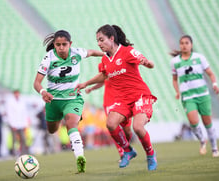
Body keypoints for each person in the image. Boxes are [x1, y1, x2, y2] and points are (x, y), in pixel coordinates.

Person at [75, 24, 157, 171]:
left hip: (140, 96)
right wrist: (86, 83)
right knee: (111, 124)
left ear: (112, 38)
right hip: (123, 100)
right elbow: (104, 75)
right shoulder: (105, 59)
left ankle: (150, 154)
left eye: (101, 40)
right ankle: (128, 150)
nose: (99, 44)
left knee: (137, 127)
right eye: (97, 41)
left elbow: (147, 62)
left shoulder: (127, 52)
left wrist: (148, 63)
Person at [33, 30, 104, 173]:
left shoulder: (77, 53)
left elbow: (91, 52)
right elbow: (36, 83)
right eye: (58, 45)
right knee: (52, 130)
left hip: (72, 99)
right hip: (53, 101)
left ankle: (80, 158)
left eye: (64, 44)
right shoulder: (48, 58)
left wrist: (107, 54)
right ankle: (58, 122)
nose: (61, 47)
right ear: (54, 45)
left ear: (70, 44)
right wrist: (43, 92)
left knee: (72, 124)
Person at [170, 35, 219, 157]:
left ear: (191, 45)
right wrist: (177, 91)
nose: (184, 45)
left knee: (207, 123)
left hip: (203, 95)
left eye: (187, 43)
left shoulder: (199, 58)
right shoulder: (175, 62)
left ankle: (214, 148)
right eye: (181, 43)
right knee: (193, 122)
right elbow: (175, 79)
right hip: (188, 97)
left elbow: (211, 74)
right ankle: (202, 140)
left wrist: (214, 84)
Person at [85, 63, 133, 160]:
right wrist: (92, 88)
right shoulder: (102, 65)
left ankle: (127, 149)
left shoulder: (122, 62)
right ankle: (122, 154)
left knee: (127, 130)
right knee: (113, 128)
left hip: (123, 101)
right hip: (109, 102)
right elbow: (102, 81)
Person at [5, 90, 29, 156]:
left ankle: (23, 152)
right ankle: (14, 153)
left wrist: (25, 124)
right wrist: (12, 124)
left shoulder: (22, 101)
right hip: (14, 124)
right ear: (14, 94)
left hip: (21, 124)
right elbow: (9, 114)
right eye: (16, 93)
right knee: (14, 140)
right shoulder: (10, 102)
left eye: (18, 93)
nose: (17, 95)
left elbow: (24, 113)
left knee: (23, 139)